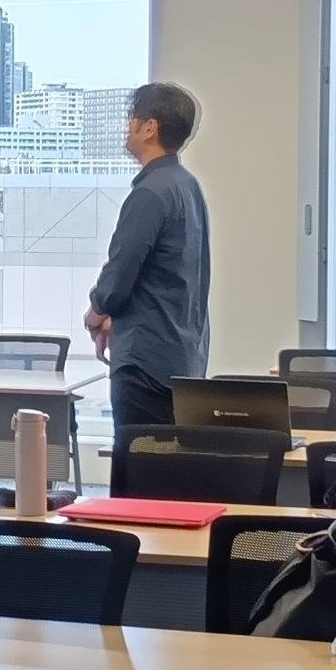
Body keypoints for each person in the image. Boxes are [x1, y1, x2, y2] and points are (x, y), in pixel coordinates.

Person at [85, 83, 211, 437]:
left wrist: (95, 314)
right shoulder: (186, 185)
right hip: (182, 358)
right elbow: (165, 276)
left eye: (132, 117)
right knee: (168, 465)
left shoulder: (150, 194)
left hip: (145, 366)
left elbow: (119, 275)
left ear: (150, 127)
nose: (127, 126)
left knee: (139, 464)